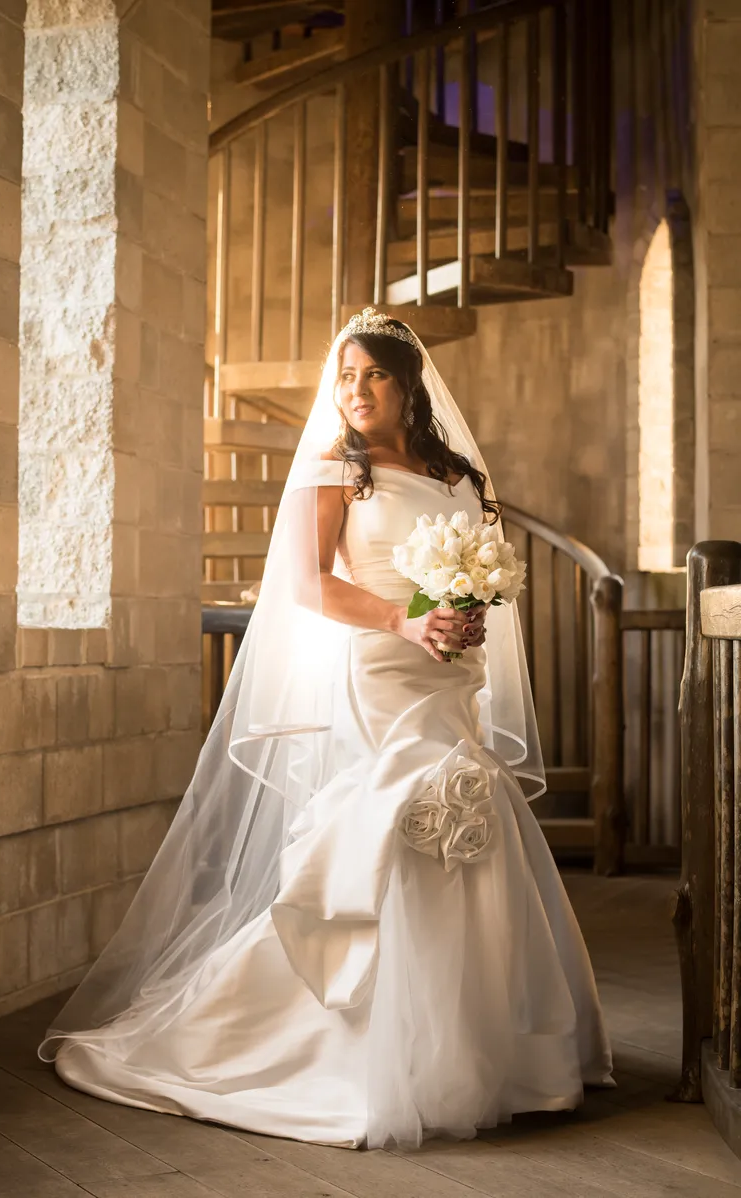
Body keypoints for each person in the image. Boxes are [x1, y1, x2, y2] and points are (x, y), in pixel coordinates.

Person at [40, 309, 613, 1150]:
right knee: (404, 822)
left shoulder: (453, 471)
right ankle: (350, 1048)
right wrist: (409, 619)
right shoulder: (331, 469)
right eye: (343, 376)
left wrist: (463, 611)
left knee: (465, 828)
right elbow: (307, 587)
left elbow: (477, 573)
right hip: (382, 666)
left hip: (448, 669)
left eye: (371, 375)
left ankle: (477, 1045)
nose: (353, 390)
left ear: (405, 381)